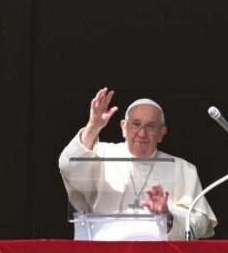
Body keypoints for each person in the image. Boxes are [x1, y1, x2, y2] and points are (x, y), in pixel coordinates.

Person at [58, 87, 217, 240]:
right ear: (123, 127)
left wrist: (169, 218)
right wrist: (93, 127)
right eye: (136, 124)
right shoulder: (100, 154)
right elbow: (68, 167)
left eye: (150, 126)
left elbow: (200, 222)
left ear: (161, 133)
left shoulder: (183, 168)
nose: (142, 133)